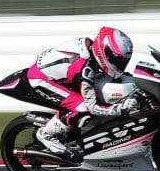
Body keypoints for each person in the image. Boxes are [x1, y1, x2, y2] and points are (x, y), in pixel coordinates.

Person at [26, 26, 139, 155]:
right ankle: (45, 134)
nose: (119, 64)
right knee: (83, 108)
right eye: (117, 60)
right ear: (105, 52)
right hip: (41, 79)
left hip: (57, 73)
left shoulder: (92, 50)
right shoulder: (86, 70)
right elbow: (92, 107)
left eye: (123, 61)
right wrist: (119, 109)